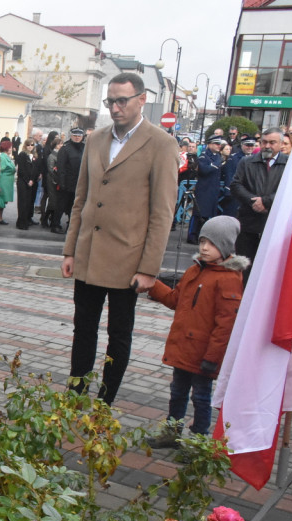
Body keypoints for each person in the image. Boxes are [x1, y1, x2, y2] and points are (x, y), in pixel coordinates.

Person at [61, 72, 179, 405]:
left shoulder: (161, 144)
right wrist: (70, 249)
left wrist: (149, 269)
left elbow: (162, 213)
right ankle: (76, 394)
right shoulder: (96, 139)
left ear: (142, 100)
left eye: (122, 100)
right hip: (88, 254)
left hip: (128, 261)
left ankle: (105, 400)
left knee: (119, 335)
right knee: (83, 329)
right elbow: (80, 198)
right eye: (110, 101)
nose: (115, 108)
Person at [145, 217, 247, 449]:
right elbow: (175, 300)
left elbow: (226, 325)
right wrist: (153, 284)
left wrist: (213, 358)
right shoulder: (195, 270)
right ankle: (173, 432)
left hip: (204, 356)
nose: (204, 247)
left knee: (201, 398)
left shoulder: (229, 279)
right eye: (202, 241)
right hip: (184, 349)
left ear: (225, 246)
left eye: (211, 243)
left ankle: (199, 441)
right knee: (177, 393)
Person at [229, 128, 287, 278]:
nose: (267, 146)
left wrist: (266, 202)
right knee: (245, 268)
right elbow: (235, 185)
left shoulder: (289, 164)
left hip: (274, 224)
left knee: (269, 271)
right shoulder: (247, 162)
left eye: (272, 142)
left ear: (281, 144)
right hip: (248, 222)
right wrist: (253, 201)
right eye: (264, 142)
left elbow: (290, 189)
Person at [187, 135, 225, 244]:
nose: (219, 146)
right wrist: (214, 165)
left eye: (220, 144)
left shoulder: (217, 156)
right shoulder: (204, 156)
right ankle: (192, 235)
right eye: (216, 144)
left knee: (207, 214)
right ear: (210, 144)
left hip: (213, 189)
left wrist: (214, 165)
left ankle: (200, 234)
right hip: (204, 189)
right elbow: (204, 170)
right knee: (198, 213)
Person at [53, 127, 85, 233]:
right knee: (61, 205)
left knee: (74, 206)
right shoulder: (65, 148)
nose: (77, 138)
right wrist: (62, 183)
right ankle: (55, 224)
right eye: (75, 135)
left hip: (79, 182)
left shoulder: (84, 148)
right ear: (71, 136)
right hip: (66, 182)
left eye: (79, 136)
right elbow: (61, 167)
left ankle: (70, 225)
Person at [15, 139, 39, 230]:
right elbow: (21, 170)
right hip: (22, 182)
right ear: (25, 145)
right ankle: (21, 223)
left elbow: (35, 169)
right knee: (22, 203)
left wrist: (32, 180)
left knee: (28, 202)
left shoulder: (34, 156)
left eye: (32, 145)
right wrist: (27, 180)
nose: (30, 146)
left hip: (30, 182)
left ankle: (25, 221)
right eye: (28, 145)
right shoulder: (22, 155)